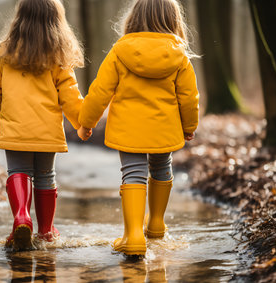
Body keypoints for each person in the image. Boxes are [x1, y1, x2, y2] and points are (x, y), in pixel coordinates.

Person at [77, 0, 199, 256]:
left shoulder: (120, 52)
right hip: (164, 129)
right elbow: (189, 97)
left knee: (133, 172)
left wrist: (86, 122)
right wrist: (189, 126)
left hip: (129, 129)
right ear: (173, 21)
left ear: (133, 18)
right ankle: (156, 225)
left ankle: (133, 237)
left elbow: (100, 92)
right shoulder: (179, 56)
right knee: (161, 168)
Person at [0, 0, 87, 250]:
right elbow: (70, 95)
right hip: (47, 131)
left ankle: (21, 218)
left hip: (16, 128)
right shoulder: (58, 55)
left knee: (17, 172)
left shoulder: (6, 52)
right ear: (56, 22)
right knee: (45, 176)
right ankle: (46, 232)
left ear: (20, 19)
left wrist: (5, 110)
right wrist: (82, 123)